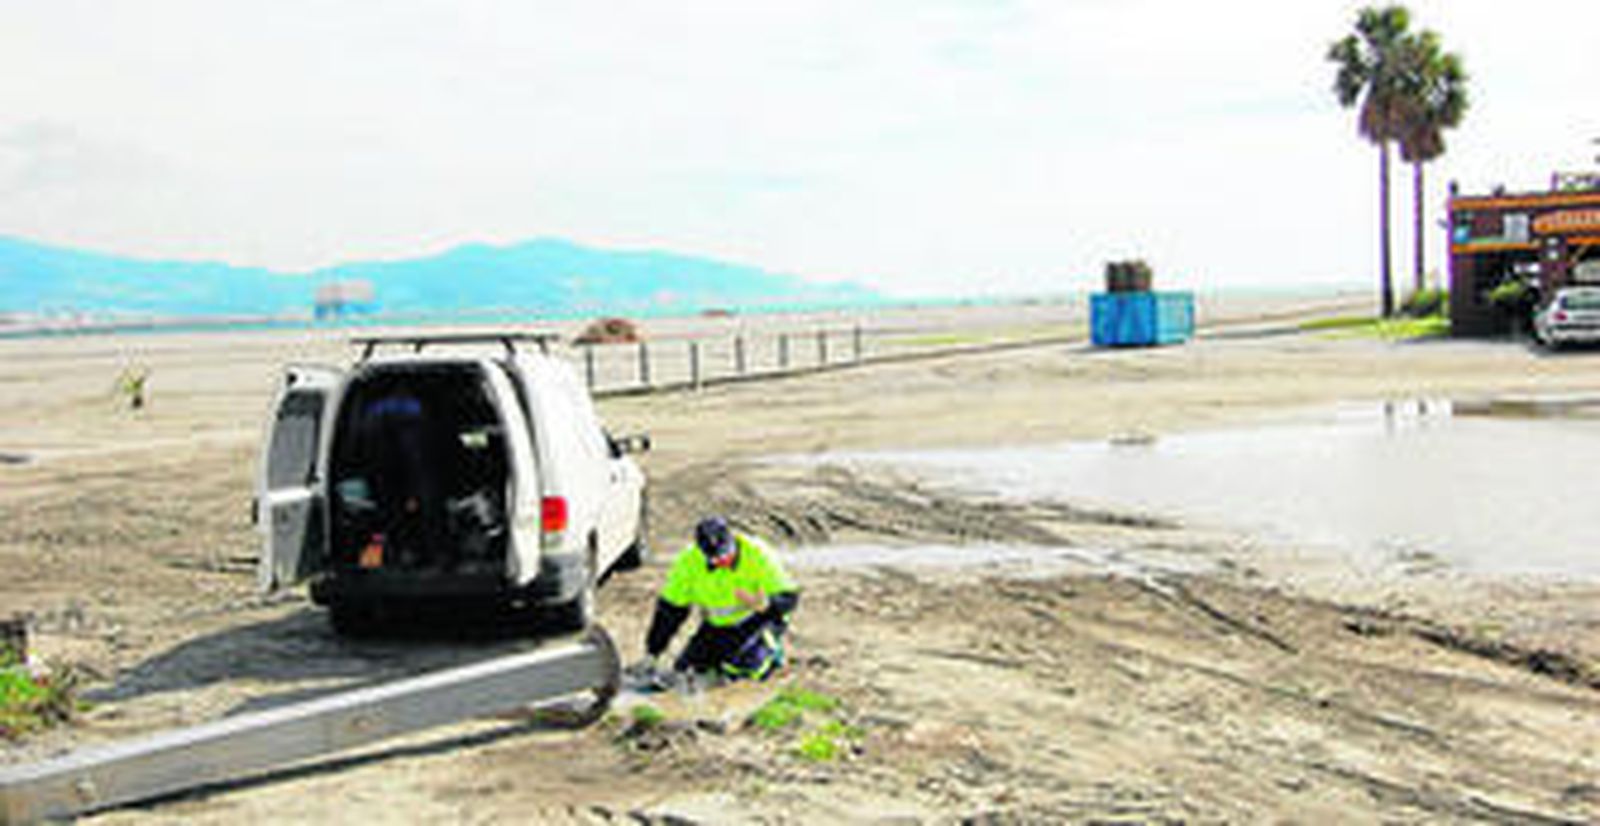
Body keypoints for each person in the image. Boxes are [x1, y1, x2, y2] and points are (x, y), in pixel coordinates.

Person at [633, 516, 799, 683]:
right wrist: (653, 653)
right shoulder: (688, 563)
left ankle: (773, 653)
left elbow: (790, 597)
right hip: (717, 626)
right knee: (685, 671)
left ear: (732, 540)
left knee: (744, 669)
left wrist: (766, 605)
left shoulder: (757, 552)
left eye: (725, 553)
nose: (722, 561)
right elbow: (670, 612)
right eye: (714, 558)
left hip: (758, 619)